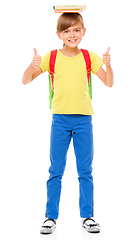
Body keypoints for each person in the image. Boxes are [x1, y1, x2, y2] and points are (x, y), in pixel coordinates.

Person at [22, 13, 113, 234]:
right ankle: (50, 217)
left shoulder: (89, 57)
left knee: (85, 170)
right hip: (59, 121)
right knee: (55, 170)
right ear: (59, 34)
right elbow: (26, 79)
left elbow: (109, 83)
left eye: (76, 30)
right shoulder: (51, 57)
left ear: (83, 32)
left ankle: (88, 217)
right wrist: (31, 64)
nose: (72, 35)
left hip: (84, 121)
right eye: (66, 31)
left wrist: (109, 65)